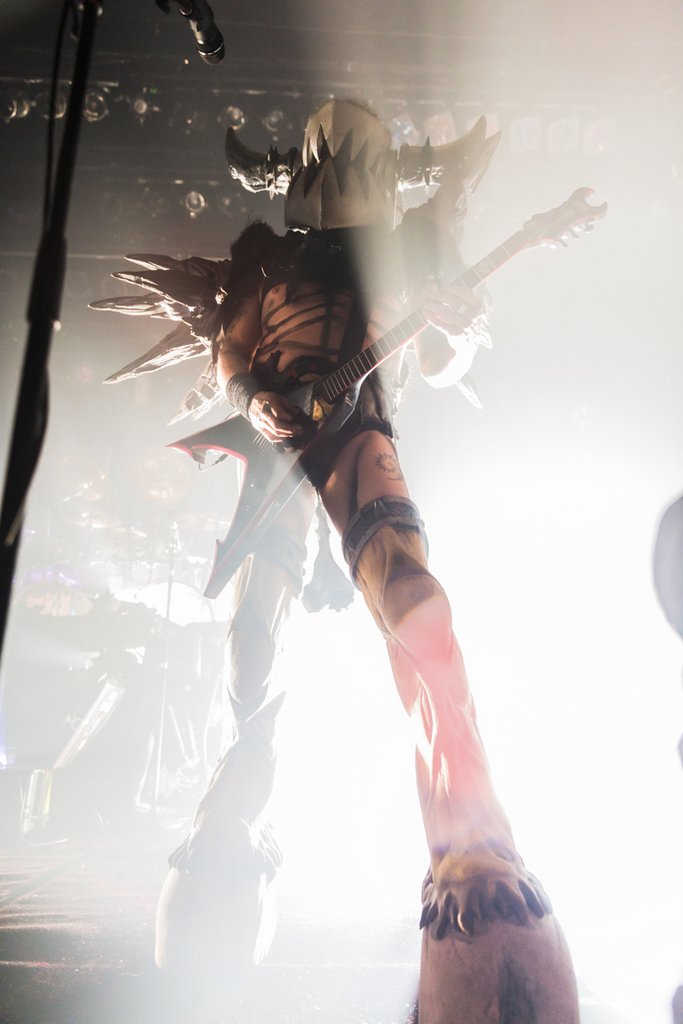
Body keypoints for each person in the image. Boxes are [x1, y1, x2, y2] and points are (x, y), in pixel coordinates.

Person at [93, 98, 579, 1019]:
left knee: (416, 604)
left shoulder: (408, 248)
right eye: (325, 151)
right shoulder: (261, 258)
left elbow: (443, 356)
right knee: (251, 646)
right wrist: (255, 398)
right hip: (275, 446)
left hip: (356, 433)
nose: (338, 159)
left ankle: (473, 846)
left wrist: (455, 321)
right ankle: (228, 828)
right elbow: (233, 349)